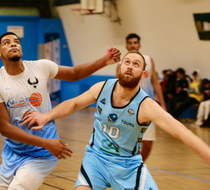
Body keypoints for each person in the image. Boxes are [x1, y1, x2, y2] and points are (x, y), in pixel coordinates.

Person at [22, 51, 210, 190]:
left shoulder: (146, 105)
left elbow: (180, 130)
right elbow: (74, 104)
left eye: (136, 64)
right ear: (120, 68)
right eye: (127, 62)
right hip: (95, 159)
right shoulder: (102, 88)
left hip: (127, 166)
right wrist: (45, 115)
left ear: (143, 74)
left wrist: (205, 152)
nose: (130, 65)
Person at [0, 31, 121, 190]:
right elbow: (4, 128)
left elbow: (74, 73)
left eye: (16, 41)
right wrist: (46, 143)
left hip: (42, 155)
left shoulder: (41, 66)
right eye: (7, 42)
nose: (13, 44)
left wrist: (104, 61)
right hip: (14, 153)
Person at [117, 33, 166, 162]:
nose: (133, 45)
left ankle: (137, 165)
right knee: (129, 142)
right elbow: (118, 86)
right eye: (130, 43)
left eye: (135, 42)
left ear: (139, 45)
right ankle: (127, 165)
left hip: (147, 105)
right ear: (127, 45)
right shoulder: (122, 63)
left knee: (148, 143)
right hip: (129, 106)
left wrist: (162, 103)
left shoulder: (149, 60)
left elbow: (155, 81)